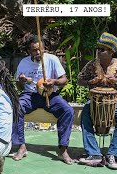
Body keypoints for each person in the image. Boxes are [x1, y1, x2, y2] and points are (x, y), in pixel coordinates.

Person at [12, 34, 74, 164]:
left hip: (50, 95)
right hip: (30, 95)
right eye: (34, 50)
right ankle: (21, 146)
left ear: (44, 48)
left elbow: (64, 80)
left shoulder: (52, 59)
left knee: (67, 110)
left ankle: (63, 149)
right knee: (16, 107)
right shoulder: (24, 62)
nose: (38, 52)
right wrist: (22, 81)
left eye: (40, 49)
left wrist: (54, 81)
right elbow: (18, 86)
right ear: (29, 51)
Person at [77, 32, 117, 170]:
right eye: (98, 48)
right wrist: (90, 81)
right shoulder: (92, 64)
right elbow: (80, 80)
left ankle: (113, 154)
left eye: (101, 49)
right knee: (85, 115)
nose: (98, 51)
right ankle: (94, 154)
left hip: (116, 101)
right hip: (94, 100)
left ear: (111, 51)